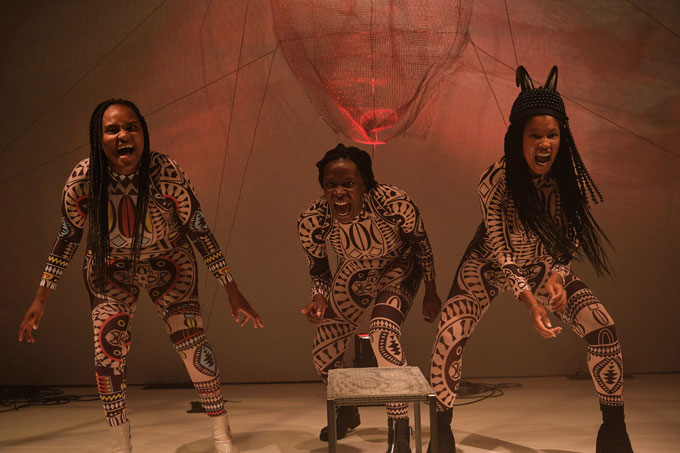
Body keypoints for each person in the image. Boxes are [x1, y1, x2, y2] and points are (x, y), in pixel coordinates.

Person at [18, 99, 263, 453]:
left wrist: (231, 287)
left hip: (170, 259)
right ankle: (120, 442)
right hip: (110, 267)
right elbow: (67, 237)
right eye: (112, 129)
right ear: (98, 138)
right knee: (107, 351)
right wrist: (41, 297)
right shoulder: (84, 180)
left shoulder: (165, 172)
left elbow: (198, 229)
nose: (123, 135)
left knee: (192, 344)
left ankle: (221, 431)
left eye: (131, 127)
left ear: (144, 134)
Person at [427, 66, 634, 453]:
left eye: (552, 135)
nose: (544, 143)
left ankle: (614, 432)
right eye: (535, 135)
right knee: (449, 336)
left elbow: (569, 235)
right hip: (488, 265)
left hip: (543, 266)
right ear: (517, 137)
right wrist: (531, 304)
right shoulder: (494, 181)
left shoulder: (568, 179)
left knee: (602, 327)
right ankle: (441, 435)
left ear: (562, 137)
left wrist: (557, 276)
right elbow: (501, 251)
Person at [298, 143, 442, 453]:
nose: (339, 193)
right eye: (331, 185)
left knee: (382, 334)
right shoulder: (313, 219)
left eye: (348, 184)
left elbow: (421, 244)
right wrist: (319, 299)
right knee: (323, 352)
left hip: (398, 265)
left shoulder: (393, 202)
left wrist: (431, 290)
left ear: (365, 184)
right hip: (356, 271)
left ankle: (399, 428)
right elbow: (319, 270)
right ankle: (346, 411)